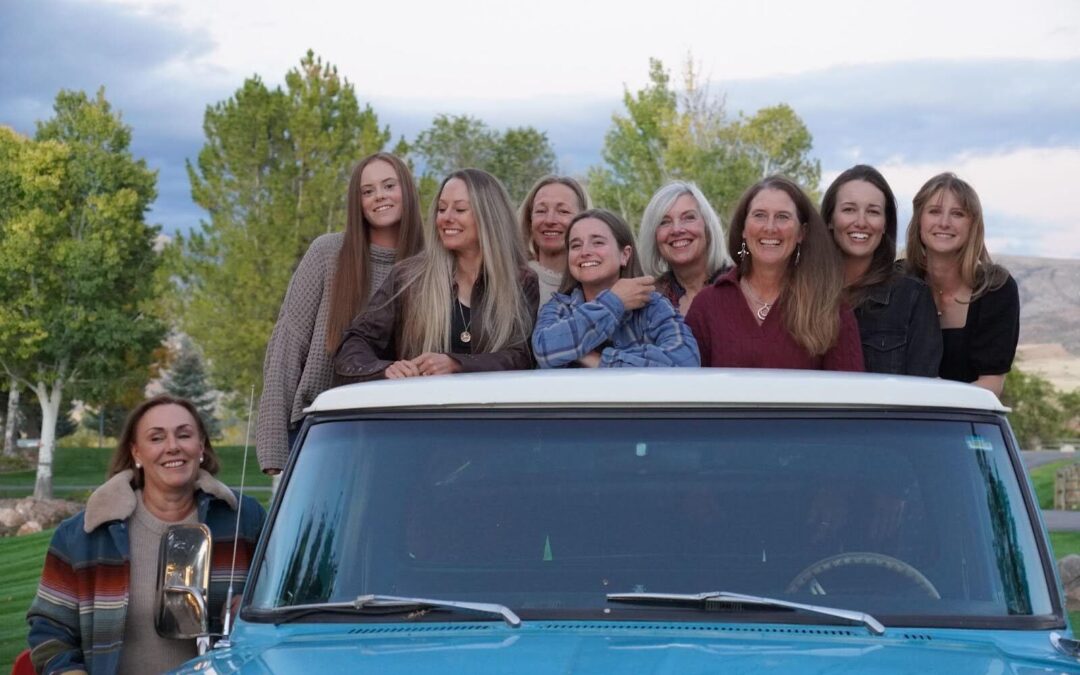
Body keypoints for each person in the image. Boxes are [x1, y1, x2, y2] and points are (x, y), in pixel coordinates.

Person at [27, 395, 265, 675]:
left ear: (201, 446)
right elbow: (50, 632)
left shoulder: (244, 521)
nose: (172, 447)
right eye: (156, 438)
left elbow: (290, 603)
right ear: (136, 453)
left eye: (184, 435)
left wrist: (255, 610)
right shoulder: (84, 535)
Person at [256, 152, 424, 474]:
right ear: (357, 202)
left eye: (389, 186)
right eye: (367, 191)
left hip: (401, 434)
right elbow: (286, 348)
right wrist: (273, 451)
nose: (379, 196)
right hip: (322, 431)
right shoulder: (327, 253)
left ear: (407, 191)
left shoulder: (431, 264)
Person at [335, 169, 539, 380]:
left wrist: (457, 364)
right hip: (420, 401)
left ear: (489, 216)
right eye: (441, 209)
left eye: (460, 209)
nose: (446, 218)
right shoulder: (408, 277)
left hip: (490, 402)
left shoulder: (521, 280)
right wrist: (385, 369)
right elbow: (353, 344)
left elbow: (521, 357)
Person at [685, 175, 864, 370]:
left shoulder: (830, 308)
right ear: (744, 228)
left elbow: (848, 388)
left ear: (801, 233)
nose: (770, 227)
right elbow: (687, 386)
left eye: (782, 217)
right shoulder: (707, 306)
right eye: (759, 215)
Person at [532, 209, 699, 368]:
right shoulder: (558, 307)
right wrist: (613, 302)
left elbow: (686, 360)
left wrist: (598, 361)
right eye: (576, 245)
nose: (585, 252)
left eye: (598, 242)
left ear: (624, 255)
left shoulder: (653, 306)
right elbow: (544, 351)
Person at [904, 172, 1019, 395]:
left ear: (972, 225)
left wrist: (936, 401)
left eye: (957, 214)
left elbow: (991, 385)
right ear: (919, 220)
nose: (944, 223)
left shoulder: (996, 289)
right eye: (934, 211)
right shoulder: (898, 283)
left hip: (967, 415)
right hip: (902, 414)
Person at [821, 165, 942, 376]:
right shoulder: (802, 292)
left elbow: (923, 390)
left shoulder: (911, 298)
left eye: (873, 212)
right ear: (830, 220)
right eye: (849, 209)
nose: (861, 222)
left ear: (885, 224)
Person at [638, 181, 731, 315]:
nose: (676, 229)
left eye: (688, 218)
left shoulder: (742, 285)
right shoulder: (648, 301)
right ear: (654, 237)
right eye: (664, 222)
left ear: (708, 228)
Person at [519, 176, 589, 308]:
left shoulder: (598, 283)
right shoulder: (511, 280)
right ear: (529, 220)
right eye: (541, 211)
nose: (549, 220)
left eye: (563, 211)